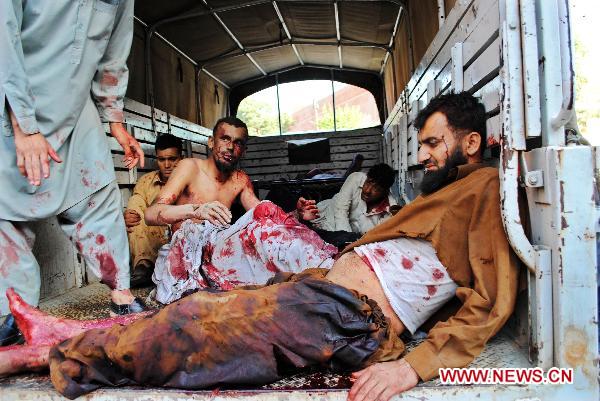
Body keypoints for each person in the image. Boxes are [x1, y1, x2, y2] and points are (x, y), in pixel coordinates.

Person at [0, 92, 519, 401]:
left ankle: (47, 355)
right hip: (321, 293)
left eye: (432, 143)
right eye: (424, 143)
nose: (423, 154)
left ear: (470, 143)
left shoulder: (484, 190)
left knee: (193, 334)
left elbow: (491, 303)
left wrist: (413, 367)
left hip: (347, 315)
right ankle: (67, 329)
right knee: (199, 306)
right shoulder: (450, 190)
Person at [0, 0, 146, 345]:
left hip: (75, 106)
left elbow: (114, 53)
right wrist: (24, 124)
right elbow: (3, 37)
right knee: (7, 215)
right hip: (12, 97)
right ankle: (15, 314)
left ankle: (122, 297)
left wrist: (116, 122)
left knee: (99, 193)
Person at [144, 117, 338, 303]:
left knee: (265, 212)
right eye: (225, 139)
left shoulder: (240, 180)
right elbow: (151, 214)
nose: (230, 147)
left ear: (243, 151)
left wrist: (297, 216)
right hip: (189, 249)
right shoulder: (190, 167)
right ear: (211, 142)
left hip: (219, 248)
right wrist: (196, 210)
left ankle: (329, 271)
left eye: (237, 143)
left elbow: (265, 222)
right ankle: (327, 272)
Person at [124, 134, 183, 287]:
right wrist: (129, 216)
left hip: (180, 238)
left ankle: (167, 266)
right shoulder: (146, 181)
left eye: (172, 159)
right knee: (135, 201)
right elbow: (137, 208)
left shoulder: (189, 179)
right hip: (153, 240)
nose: (167, 164)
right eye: (162, 160)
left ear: (181, 158)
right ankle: (143, 265)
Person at [297, 163, 398, 248]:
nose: (367, 190)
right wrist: (346, 241)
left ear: (385, 191)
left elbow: (375, 238)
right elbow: (340, 210)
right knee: (297, 226)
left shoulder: (389, 212)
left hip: (341, 236)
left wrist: (348, 242)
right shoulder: (355, 178)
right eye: (368, 182)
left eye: (376, 188)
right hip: (324, 214)